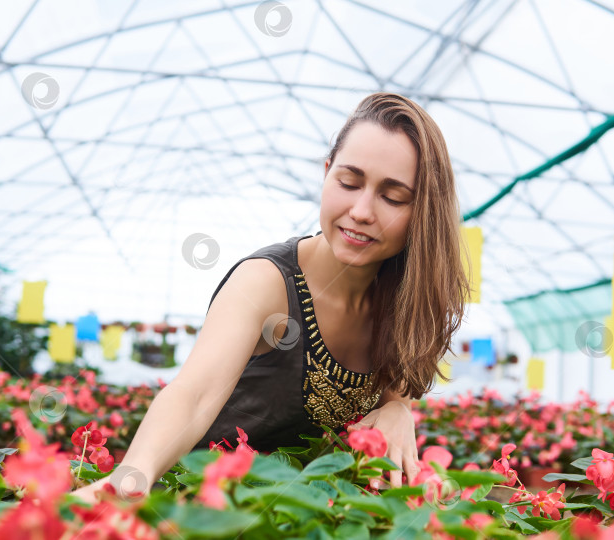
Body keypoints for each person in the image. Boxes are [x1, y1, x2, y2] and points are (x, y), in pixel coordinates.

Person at [71, 92, 472, 504]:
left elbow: (397, 392)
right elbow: (193, 395)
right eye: (349, 182)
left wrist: (398, 411)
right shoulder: (266, 283)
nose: (362, 210)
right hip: (211, 509)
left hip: (311, 513)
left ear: (422, 211)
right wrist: (129, 477)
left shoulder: (404, 299)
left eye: (393, 197)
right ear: (327, 171)